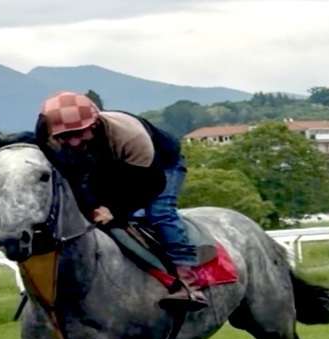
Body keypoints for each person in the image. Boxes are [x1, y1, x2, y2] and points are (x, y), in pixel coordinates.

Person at [35, 91, 208, 311]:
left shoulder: (129, 135)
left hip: (158, 168)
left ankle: (189, 284)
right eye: (65, 136)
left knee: (160, 213)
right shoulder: (46, 136)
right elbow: (70, 179)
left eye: (79, 133)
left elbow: (152, 184)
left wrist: (114, 209)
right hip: (107, 167)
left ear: (94, 124)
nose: (74, 142)